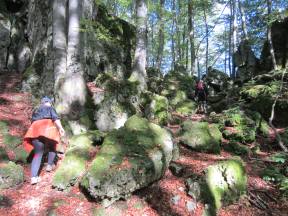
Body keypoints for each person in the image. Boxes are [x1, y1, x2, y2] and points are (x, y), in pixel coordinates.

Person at [23, 96, 65, 185]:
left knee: (38, 154)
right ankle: (49, 165)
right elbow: (55, 118)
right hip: (48, 129)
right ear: (49, 102)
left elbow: (32, 122)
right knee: (53, 146)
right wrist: (61, 128)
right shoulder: (50, 108)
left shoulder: (36, 111)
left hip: (35, 131)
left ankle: (33, 177)